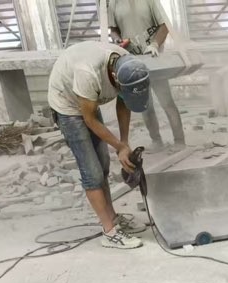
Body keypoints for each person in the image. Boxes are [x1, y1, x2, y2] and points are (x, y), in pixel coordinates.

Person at [47, 40, 151, 250]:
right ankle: (109, 232)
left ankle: (113, 217)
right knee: (92, 172)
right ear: (114, 76)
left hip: (87, 99)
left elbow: (124, 102)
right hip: (68, 106)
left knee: (103, 163)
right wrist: (119, 147)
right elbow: (89, 119)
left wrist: (124, 142)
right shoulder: (88, 73)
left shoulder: (128, 66)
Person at [109, 0, 185, 149]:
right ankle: (156, 141)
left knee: (166, 102)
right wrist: (117, 39)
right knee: (146, 105)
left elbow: (164, 26)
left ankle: (179, 141)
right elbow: (113, 29)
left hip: (154, 59)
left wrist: (154, 44)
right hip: (133, 62)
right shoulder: (114, 3)